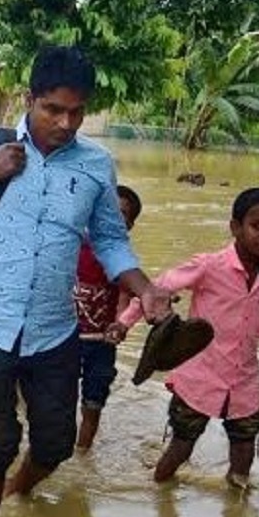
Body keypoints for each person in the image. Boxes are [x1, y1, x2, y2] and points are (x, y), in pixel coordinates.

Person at [0, 45, 173, 517]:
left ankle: (19, 490)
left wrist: (145, 289)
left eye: (77, 112)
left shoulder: (96, 166)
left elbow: (108, 240)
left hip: (53, 330)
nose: (65, 122)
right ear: (29, 99)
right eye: (53, 109)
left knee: (57, 443)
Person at [112, 187, 259, 489]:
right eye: (257, 226)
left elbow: (257, 321)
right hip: (200, 378)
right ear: (235, 227)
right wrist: (123, 323)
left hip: (243, 382)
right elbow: (155, 291)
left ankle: (234, 515)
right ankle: (157, 494)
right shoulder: (209, 266)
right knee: (181, 447)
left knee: (245, 450)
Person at [73, 184, 143, 451]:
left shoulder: (123, 260)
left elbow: (126, 298)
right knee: (58, 398)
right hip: (64, 339)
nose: (115, 218)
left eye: (123, 214)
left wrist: (121, 325)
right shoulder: (74, 245)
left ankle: (82, 452)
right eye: (110, 211)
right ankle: (57, 449)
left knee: (94, 403)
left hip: (101, 343)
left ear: (130, 225)